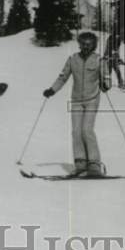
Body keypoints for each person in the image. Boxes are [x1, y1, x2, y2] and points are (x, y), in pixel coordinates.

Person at [43, 31, 110, 176]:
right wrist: (52, 90)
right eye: (83, 44)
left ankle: (94, 164)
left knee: (87, 130)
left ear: (94, 45)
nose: (86, 47)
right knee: (76, 131)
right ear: (79, 44)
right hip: (76, 100)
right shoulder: (73, 59)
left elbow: (106, 76)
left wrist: (106, 85)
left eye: (89, 44)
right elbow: (62, 77)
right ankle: (80, 163)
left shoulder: (99, 60)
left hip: (92, 99)